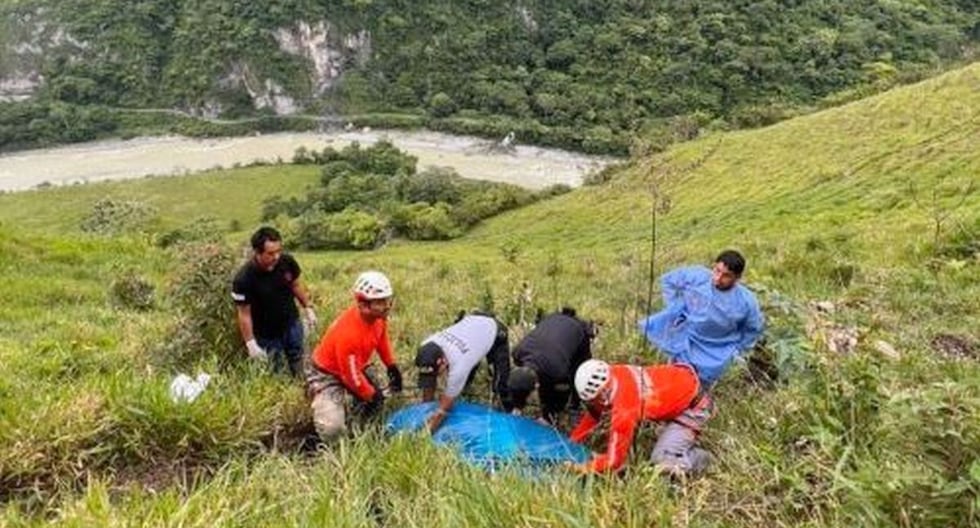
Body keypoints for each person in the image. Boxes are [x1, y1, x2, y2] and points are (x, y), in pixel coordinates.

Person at [638, 249, 765, 476]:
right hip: (686, 342)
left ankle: (686, 432)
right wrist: (677, 308)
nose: (717, 278)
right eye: (716, 271)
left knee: (697, 394)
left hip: (715, 353)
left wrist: (736, 350)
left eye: (725, 275)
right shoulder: (697, 276)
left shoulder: (745, 301)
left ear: (737, 278)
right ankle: (666, 424)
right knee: (672, 383)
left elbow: (752, 328)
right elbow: (669, 281)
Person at [306, 271, 404, 441]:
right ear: (363, 304)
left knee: (374, 401)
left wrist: (391, 365)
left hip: (353, 366)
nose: (387, 306)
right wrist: (371, 394)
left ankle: (364, 426)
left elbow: (381, 339)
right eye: (380, 302)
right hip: (327, 374)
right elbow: (350, 377)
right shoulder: (349, 334)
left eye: (387, 300)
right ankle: (334, 447)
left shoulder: (378, 317)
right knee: (332, 428)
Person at [567, 359, 700, 474]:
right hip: (680, 379)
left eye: (593, 401)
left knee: (661, 460)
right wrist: (571, 442)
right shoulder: (614, 373)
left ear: (602, 395)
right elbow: (595, 414)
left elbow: (614, 462)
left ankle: (702, 459)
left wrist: (583, 468)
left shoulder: (624, 410)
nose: (593, 405)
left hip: (692, 408)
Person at [231, 226, 316, 376]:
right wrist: (250, 343)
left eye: (279, 251)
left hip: (291, 323)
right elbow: (244, 314)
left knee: (297, 358)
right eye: (270, 253)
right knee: (276, 369)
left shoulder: (286, 262)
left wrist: (308, 307)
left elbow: (295, 285)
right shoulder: (244, 279)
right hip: (266, 334)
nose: (276, 257)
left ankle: (301, 383)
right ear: (257, 252)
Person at [415, 310, 512, 432]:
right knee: (464, 381)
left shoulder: (459, 366)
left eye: (436, 372)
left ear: (443, 362)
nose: (435, 376)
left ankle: (510, 417)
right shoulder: (427, 345)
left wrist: (425, 434)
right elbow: (428, 384)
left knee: (500, 385)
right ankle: (466, 388)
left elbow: (443, 411)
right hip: (471, 324)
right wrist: (425, 411)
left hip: (494, 330)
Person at [507, 307, 596, 425]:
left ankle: (575, 406)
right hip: (553, 320)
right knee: (544, 378)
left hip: (578, 331)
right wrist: (517, 407)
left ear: (537, 385)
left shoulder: (558, 371)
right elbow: (520, 384)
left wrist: (548, 416)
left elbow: (561, 393)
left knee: (578, 374)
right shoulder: (518, 352)